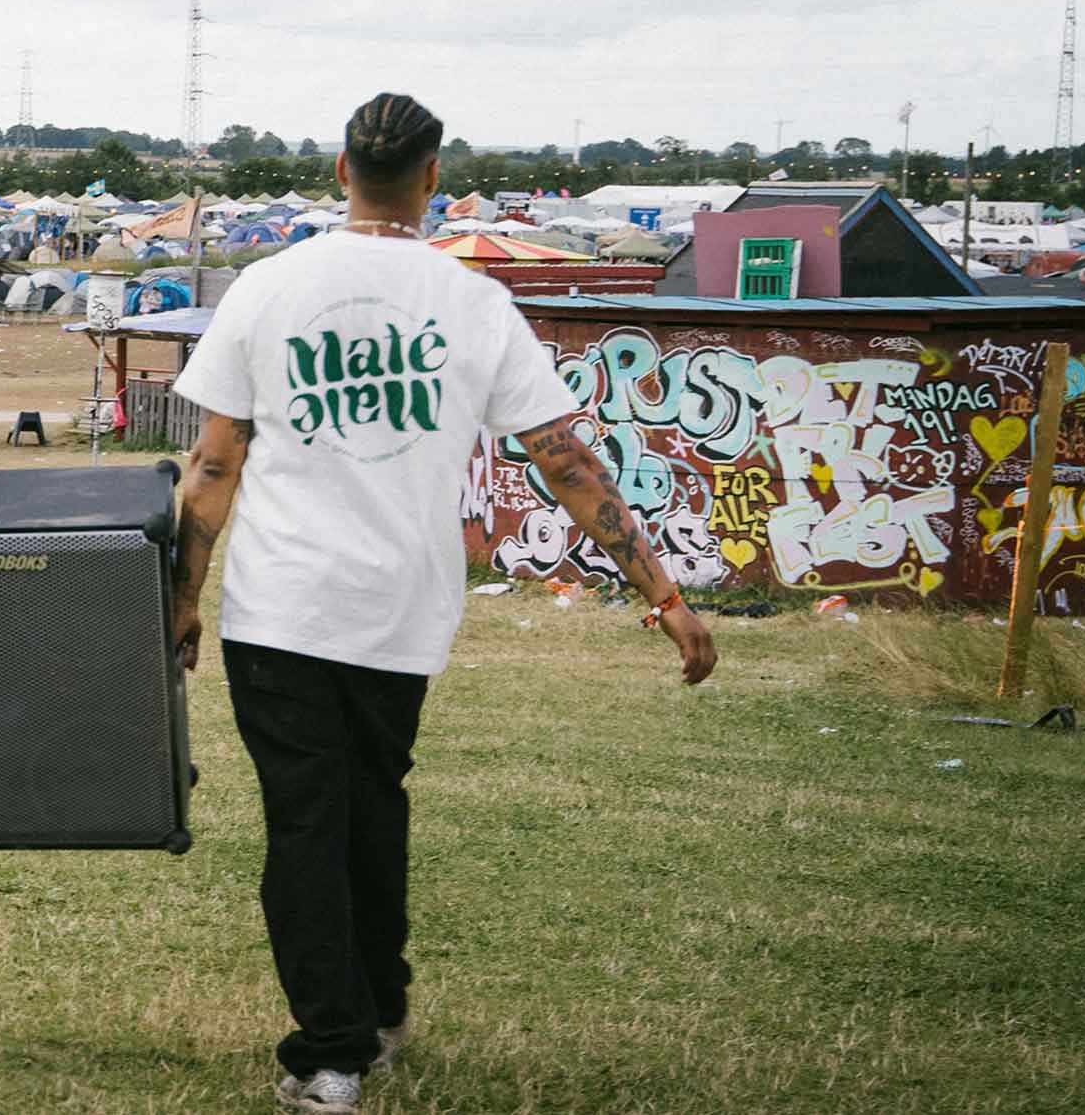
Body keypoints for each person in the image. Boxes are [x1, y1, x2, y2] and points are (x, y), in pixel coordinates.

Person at [169, 94, 717, 1115]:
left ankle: (333, 1053)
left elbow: (212, 464)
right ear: (433, 178)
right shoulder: (474, 304)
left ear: (342, 172)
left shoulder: (266, 288)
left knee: (307, 823)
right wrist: (665, 594)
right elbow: (566, 461)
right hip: (403, 612)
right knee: (373, 803)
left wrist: (180, 598)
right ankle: (376, 1008)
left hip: (281, 605)